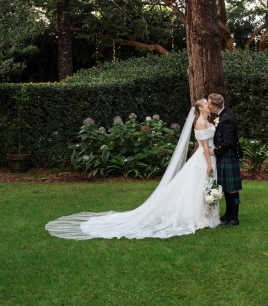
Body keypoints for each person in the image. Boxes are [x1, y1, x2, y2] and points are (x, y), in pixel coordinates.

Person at [45, 100, 220, 240]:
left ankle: (205, 213)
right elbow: (204, 146)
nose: (208, 105)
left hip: (209, 156)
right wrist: (208, 163)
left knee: (201, 185)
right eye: (206, 103)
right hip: (204, 158)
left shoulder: (208, 122)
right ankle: (198, 216)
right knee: (200, 184)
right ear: (200, 108)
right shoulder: (200, 122)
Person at [208, 93, 242, 227]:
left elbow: (228, 142)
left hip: (228, 155)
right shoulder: (223, 115)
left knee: (232, 189)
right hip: (225, 155)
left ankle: (234, 218)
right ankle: (228, 214)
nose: (207, 105)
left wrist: (215, 151)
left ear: (214, 106)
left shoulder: (226, 118)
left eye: (209, 103)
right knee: (227, 187)